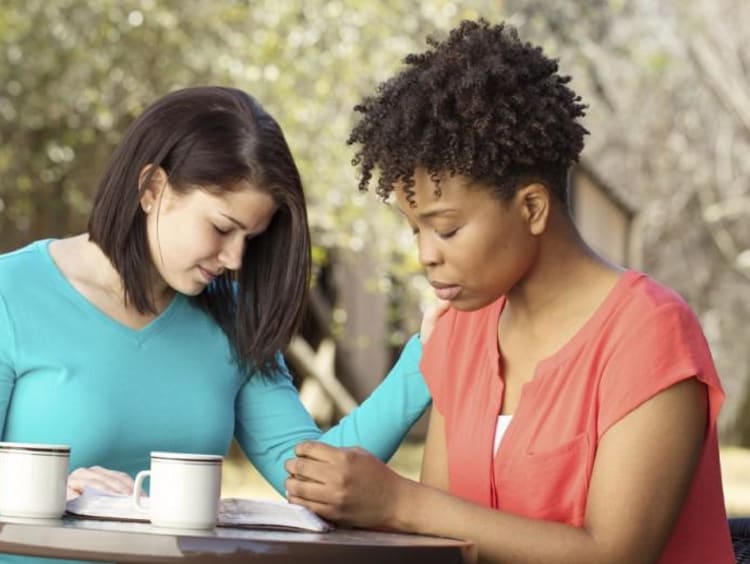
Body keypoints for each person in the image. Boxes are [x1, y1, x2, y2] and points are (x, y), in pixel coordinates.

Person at [284, 20, 735, 563]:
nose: (427, 253)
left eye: (446, 228)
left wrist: (399, 502)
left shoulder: (649, 333)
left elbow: (616, 554)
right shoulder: (460, 329)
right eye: (415, 230)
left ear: (532, 208)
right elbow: (444, 545)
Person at [0, 86, 435, 564]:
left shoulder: (231, 317)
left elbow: (316, 479)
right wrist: (44, 489)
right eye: (222, 228)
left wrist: (426, 357)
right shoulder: (12, 293)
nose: (233, 259)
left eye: (251, 238)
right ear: (152, 189)